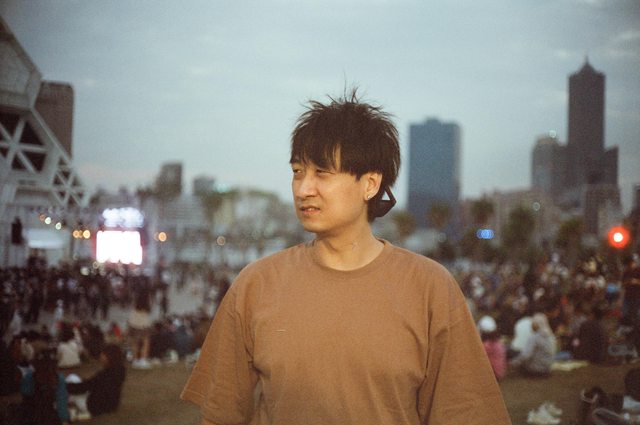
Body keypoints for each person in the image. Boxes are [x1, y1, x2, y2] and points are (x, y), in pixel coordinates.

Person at [181, 90, 511, 424]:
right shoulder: (256, 284)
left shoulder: (430, 288)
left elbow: (465, 414)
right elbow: (221, 414)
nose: (303, 189)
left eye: (322, 173)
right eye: (298, 171)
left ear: (370, 184)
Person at [66, 343, 126, 419]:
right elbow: (91, 384)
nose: (101, 356)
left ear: (108, 357)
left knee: (71, 379)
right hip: (111, 405)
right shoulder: (120, 371)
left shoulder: (104, 375)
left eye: (102, 354)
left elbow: (83, 388)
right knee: (73, 379)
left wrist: (64, 386)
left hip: (94, 407)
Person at [19, 347, 71, 425]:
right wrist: (64, 419)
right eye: (44, 365)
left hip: (40, 417)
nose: (47, 367)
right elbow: (61, 402)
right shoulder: (30, 378)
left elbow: (61, 402)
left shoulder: (29, 377)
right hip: (35, 417)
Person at [511, 312, 557, 377]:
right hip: (547, 369)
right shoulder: (551, 336)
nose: (531, 326)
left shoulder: (535, 337)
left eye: (533, 324)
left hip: (535, 370)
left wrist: (513, 363)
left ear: (537, 325)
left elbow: (526, 355)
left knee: (515, 355)